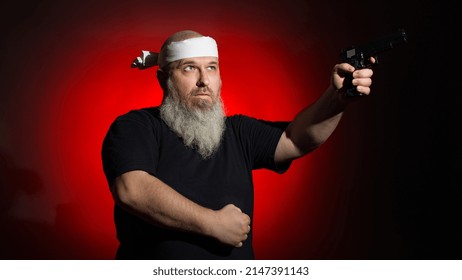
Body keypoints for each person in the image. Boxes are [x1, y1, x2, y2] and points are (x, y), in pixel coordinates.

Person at [101, 30, 374, 260]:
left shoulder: (238, 131)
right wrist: (212, 223)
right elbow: (131, 189)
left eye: (211, 67)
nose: (203, 80)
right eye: (189, 68)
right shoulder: (136, 126)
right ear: (163, 79)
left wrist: (336, 98)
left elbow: (296, 139)